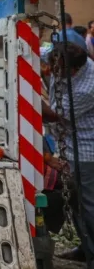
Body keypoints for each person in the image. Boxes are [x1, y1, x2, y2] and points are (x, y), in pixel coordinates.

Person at [43, 33, 94, 263]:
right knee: (75, 203)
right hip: (69, 146)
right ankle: (86, 249)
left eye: (69, 72)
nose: (64, 75)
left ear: (77, 68)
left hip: (85, 151)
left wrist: (25, 97)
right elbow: (37, 51)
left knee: (87, 206)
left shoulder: (88, 87)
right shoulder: (56, 55)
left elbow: (55, 115)